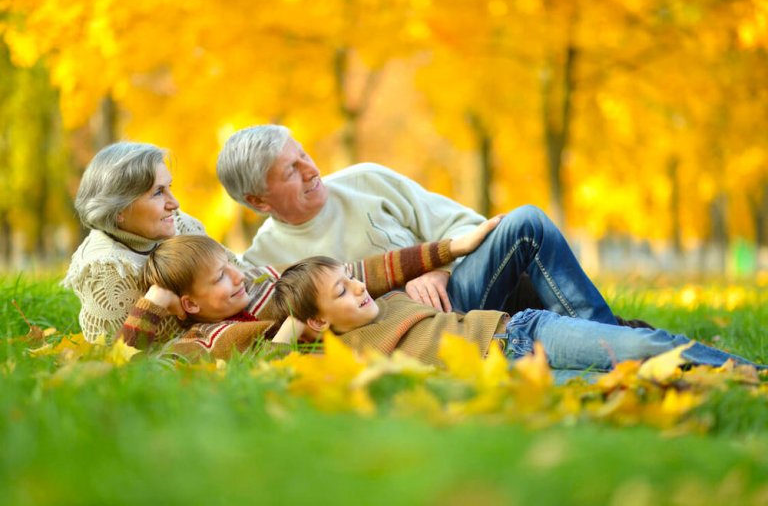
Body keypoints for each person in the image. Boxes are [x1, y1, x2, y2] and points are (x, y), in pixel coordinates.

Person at [216, 124, 647, 329]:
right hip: (412, 331)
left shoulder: (367, 180)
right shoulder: (264, 263)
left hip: (457, 292)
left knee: (526, 223)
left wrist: (436, 268)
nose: (311, 170)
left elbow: (471, 226)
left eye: (304, 154)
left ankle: (606, 337)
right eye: (290, 171)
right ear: (258, 200)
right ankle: (614, 338)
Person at [270, 256, 766, 375]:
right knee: (640, 380)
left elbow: (410, 258)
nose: (359, 287)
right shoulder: (343, 353)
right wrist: (301, 318)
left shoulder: (391, 297)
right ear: (317, 322)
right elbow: (273, 346)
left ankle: (756, 375)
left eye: (352, 278)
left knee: (642, 348)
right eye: (342, 290)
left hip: (524, 333)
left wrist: (440, 271)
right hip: (511, 378)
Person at [117, 219, 502, 359]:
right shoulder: (200, 342)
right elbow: (128, 365)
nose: (237, 278)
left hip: (403, 330)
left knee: (519, 229)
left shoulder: (265, 285)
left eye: (230, 266)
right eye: (219, 278)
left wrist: (451, 249)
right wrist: (153, 303)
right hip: (375, 358)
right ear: (188, 302)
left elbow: (363, 271)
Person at [64, 142, 210, 342]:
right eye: (158, 192)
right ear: (119, 211)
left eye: (170, 187)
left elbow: (242, 283)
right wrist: (154, 304)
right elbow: (117, 360)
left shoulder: (180, 225)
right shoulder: (106, 271)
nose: (175, 203)